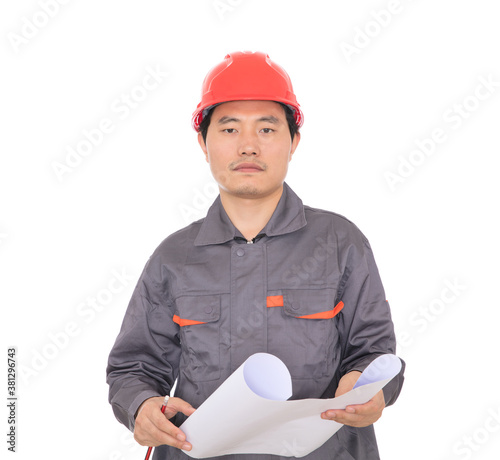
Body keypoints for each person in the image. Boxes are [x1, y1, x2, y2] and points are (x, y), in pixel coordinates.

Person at [106, 51, 405, 459]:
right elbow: (134, 366)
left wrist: (369, 388)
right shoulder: (173, 257)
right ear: (203, 142)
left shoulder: (339, 242)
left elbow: (375, 352)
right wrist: (141, 406)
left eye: (266, 128)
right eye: (229, 129)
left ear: (293, 141)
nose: (248, 146)